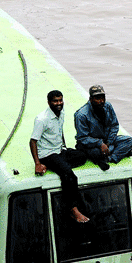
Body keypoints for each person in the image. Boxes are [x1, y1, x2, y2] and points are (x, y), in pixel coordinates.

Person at [29, 90, 89, 223]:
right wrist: (37, 163)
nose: (59, 103)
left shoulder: (61, 113)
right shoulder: (42, 119)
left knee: (82, 156)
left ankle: (59, 166)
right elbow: (33, 141)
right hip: (47, 154)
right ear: (49, 102)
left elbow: (59, 131)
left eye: (60, 100)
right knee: (69, 175)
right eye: (55, 101)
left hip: (59, 150)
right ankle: (73, 209)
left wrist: (64, 147)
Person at [74, 85, 132, 170]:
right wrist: (100, 143)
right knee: (96, 153)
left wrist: (108, 142)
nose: (101, 101)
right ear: (91, 99)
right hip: (91, 145)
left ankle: (109, 158)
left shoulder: (108, 106)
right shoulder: (81, 115)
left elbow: (114, 125)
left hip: (107, 141)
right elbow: (83, 138)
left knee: (129, 141)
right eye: (97, 99)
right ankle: (118, 152)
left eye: (102, 98)